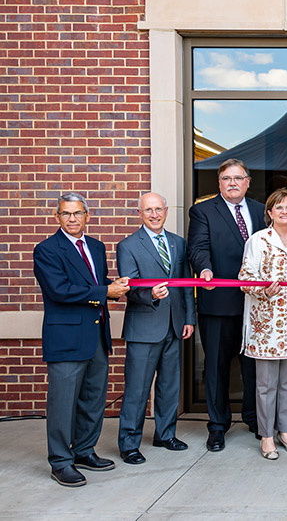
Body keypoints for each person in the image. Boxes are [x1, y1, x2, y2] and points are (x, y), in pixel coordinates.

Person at [33, 193, 130, 487]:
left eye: (77, 213)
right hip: (66, 338)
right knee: (63, 403)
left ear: (87, 216)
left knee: (92, 399)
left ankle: (85, 451)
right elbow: (59, 290)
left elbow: (99, 284)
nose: (72, 219)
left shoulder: (97, 247)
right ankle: (61, 461)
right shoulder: (47, 249)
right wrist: (105, 293)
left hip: (96, 335)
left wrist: (125, 287)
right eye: (66, 214)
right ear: (57, 217)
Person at [188, 158, 266, 452]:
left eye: (238, 178)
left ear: (248, 182)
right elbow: (197, 247)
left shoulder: (261, 211)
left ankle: (254, 419)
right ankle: (218, 426)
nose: (232, 183)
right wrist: (204, 269)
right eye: (226, 179)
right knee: (217, 367)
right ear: (218, 183)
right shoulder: (203, 211)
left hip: (257, 305)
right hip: (218, 301)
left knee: (254, 367)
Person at [116, 192, 196, 465]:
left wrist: (189, 318)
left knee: (169, 386)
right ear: (139, 213)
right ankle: (129, 443)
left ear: (166, 211)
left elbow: (186, 285)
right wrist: (150, 294)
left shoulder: (178, 243)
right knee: (137, 389)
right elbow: (129, 287)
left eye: (158, 209)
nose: (154, 214)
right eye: (148, 210)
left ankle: (165, 434)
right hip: (144, 328)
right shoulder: (127, 246)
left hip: (174, 326)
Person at [239, 188, 287, 460]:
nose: (285, 211)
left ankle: (285, 430)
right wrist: (264, 291)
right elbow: (245, 277)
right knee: (266, 383)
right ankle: (267, 436)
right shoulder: (259, 240)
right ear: (270, 212)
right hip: (268, 322)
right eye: (279, 207)